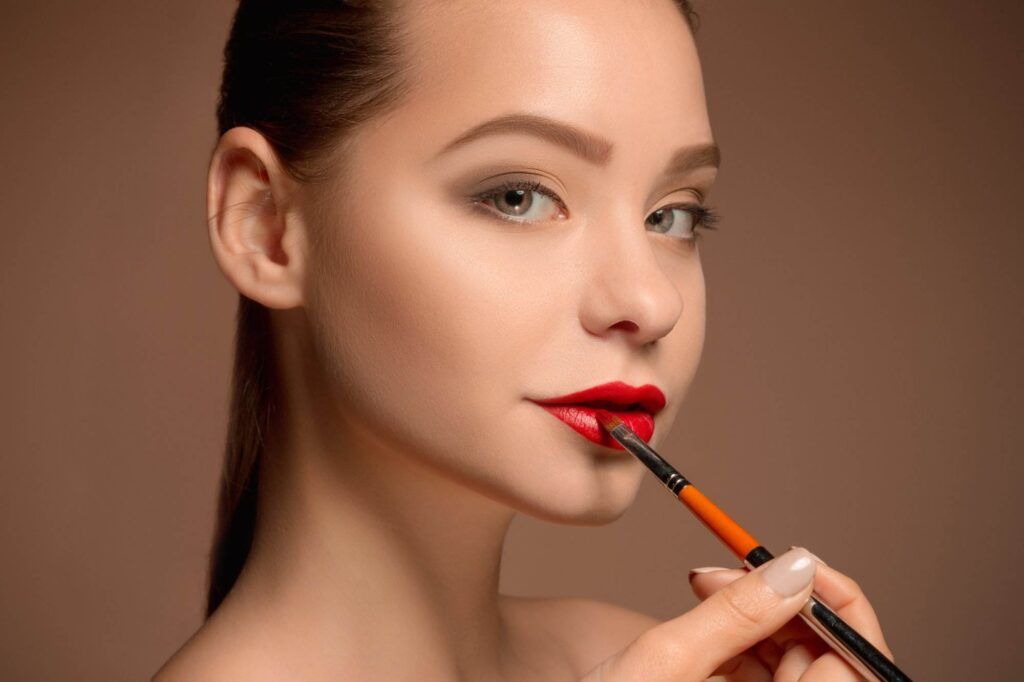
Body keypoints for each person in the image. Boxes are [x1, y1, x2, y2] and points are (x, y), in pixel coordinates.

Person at [156, 0, 896, 679]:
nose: (651, 300)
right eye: (519, 196)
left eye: (673, 215)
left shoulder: (646, 661)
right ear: (266, 228)